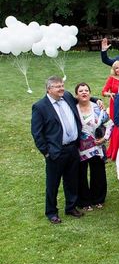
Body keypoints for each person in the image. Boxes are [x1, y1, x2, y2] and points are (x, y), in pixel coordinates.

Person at [31, 76, 84, 224]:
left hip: (73, 147)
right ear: (49, 89)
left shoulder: (66, 96)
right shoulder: (40, 107)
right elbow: (37, 133)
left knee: (72, 179)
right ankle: (51, 212)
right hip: (55, 151)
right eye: (57, 86)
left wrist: (95, 99)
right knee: (53, 183)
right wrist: (46, 152)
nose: (61, 88)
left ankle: (71, 207)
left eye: (62, 85)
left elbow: (80, 99)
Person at [75, 82, 113, 210]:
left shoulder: (97, 108)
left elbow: (109, 124)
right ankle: (84, 201)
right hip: (79, 148)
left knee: (98, 173)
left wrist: (104, 138)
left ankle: (98, 199)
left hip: (97, 147)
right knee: (81, 174)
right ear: (76, 95)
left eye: (86, 90)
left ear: (90, 93)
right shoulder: (72, 108)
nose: (84, 92)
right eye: (81, 91)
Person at [102, 61, 119, 160]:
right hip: (115, 104)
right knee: (117, 126)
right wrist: (110, 94)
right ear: (114, 70)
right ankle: (115, 151)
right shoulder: (112, 79)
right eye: (117, 68)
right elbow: (104, 91)